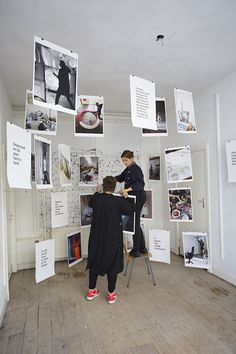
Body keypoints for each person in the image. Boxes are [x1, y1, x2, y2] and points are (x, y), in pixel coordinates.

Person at [86, 176, 133, 304]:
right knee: (113, 264)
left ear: (103, 186)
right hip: (113, 238)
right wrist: (125, 196)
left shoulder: (96, 198)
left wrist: (97, 191)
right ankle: (111, 294)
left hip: (96, 237)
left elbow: (90, 203)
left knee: (94, 260)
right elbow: (130, 210)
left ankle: (91, 291)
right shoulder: (118, 201)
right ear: (114, 187)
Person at [115, 150, 147, 258]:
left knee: (135, 223)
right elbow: (120, 177)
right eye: (123, 160)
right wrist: (110, 180)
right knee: (135, 222)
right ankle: (142, 248)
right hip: (133, 198)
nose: (124, 162)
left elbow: (141, 184)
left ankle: (136, 250)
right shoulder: (128, 169)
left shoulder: (136, 169)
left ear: (131, 159)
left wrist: (127, 190)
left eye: (126, 160)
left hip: (139, 198)